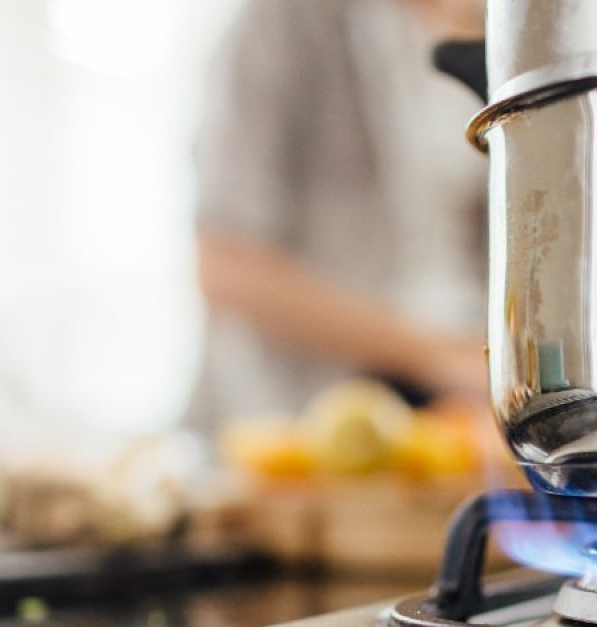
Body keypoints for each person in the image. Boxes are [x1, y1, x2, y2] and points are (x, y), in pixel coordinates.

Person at [186, 0, 487, 432]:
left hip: (455, 415)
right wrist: (440, 357)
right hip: (300, 417)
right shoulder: (283, 23)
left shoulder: (498, 30)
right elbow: (226, 264)